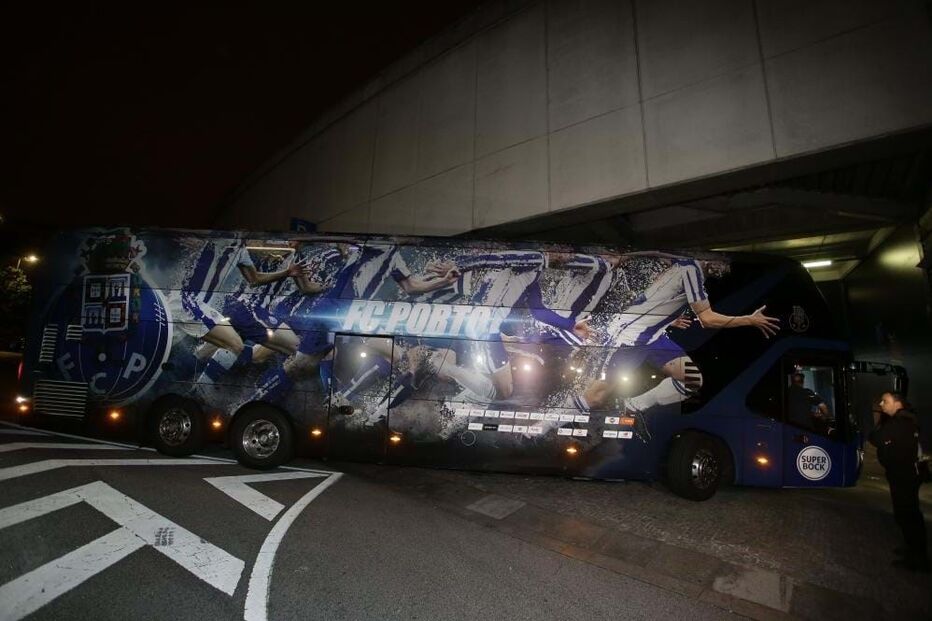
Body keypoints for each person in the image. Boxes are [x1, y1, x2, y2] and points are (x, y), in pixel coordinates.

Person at [869, 391, 929, 572]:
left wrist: (881, 425)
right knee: (907, 514)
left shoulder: (901, 423)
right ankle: (912, 549)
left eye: (885, 401)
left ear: (898, 404)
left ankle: (918, 558)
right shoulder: (905, 420)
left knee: (908, 514)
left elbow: (875, 438)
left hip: (904, 475)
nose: (881, 404)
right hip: (904, 475)